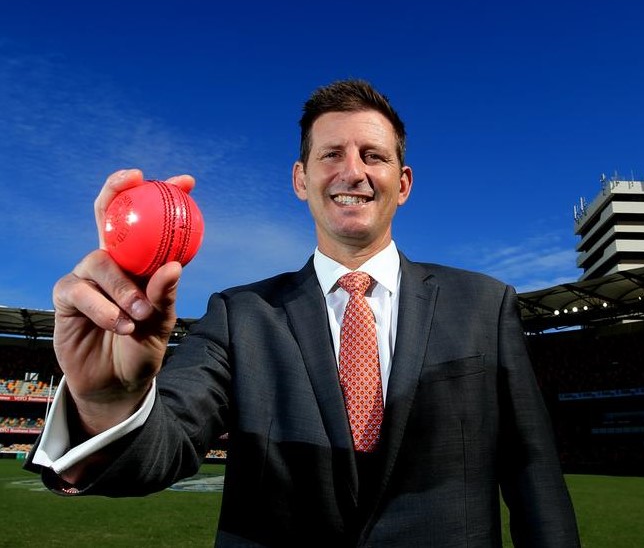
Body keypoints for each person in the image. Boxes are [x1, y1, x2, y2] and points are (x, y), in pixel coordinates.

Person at [27, 79, 580, 547]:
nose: (353, 171)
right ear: (300, 179)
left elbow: (535, 479)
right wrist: (106, 402)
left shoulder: (484, 304)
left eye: (374, 156)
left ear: (403, 184)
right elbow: (165, 450)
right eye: (331, 154)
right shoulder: (240, 315)